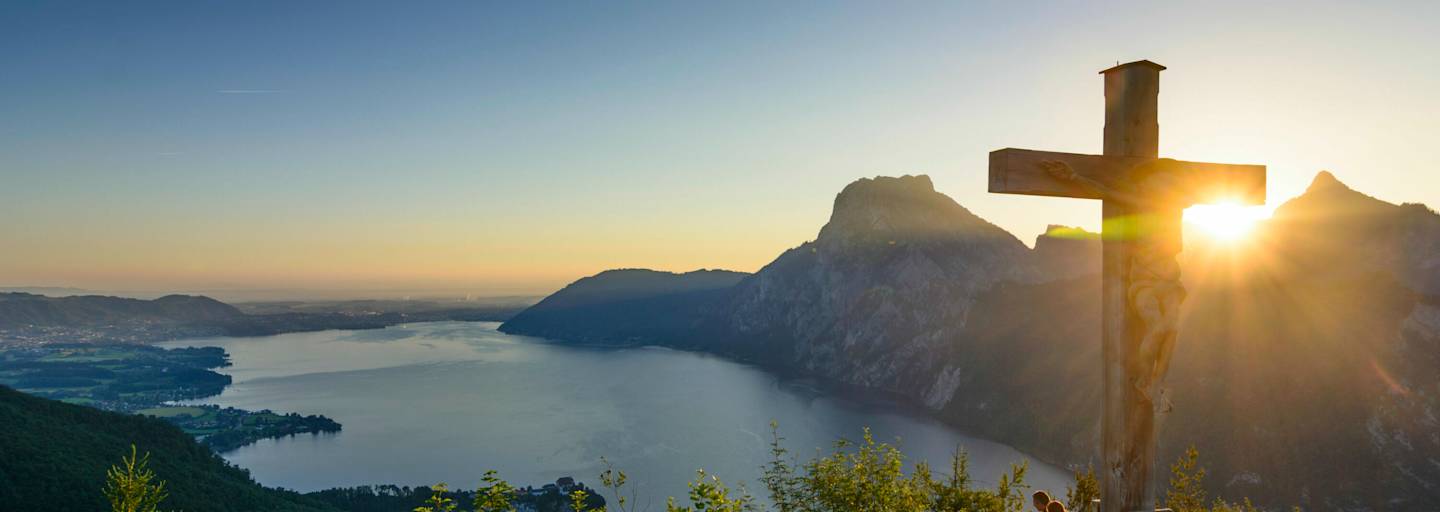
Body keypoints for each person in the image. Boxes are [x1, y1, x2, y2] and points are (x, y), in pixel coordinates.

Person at [1039, 159, 1190, 412]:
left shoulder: (1175, 208)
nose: (1167, 189)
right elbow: (1107, 192)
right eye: (1160, 183)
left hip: (1171, 282)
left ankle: (1156, 383)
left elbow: (1204, 188)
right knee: (1158, 324)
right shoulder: (1144, 205)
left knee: (1172, 328)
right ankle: (1146, 380)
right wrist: (1074, 178)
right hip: (1145, 283)